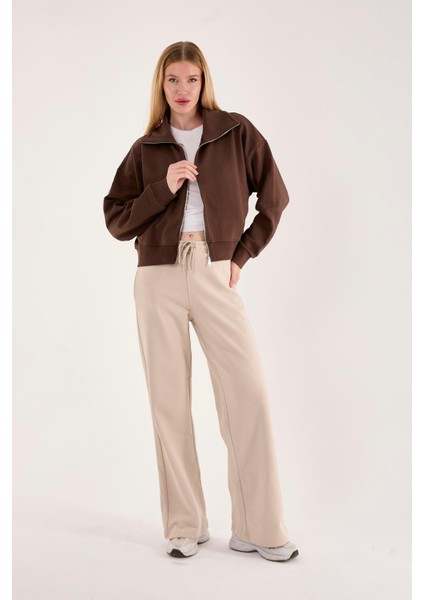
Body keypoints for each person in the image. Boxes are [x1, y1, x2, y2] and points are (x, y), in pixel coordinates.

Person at [103, 40, 299, 562]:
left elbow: (274, 197)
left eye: (191, 78)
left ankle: (259, 527)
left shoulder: (235, 131)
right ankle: (185, 525)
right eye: (173, 80)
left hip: (215, 271)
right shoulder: (147, 147)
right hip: (158, 278)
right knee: (169, 402)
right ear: (161, 85)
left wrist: (242, 253)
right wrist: (162, 189)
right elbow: (116, 220)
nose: (182, 89)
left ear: (204, 81)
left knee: (248, 394)